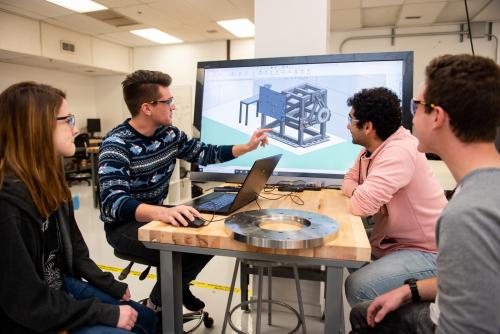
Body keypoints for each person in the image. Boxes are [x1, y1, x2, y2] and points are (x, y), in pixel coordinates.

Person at [349, 54, 500, 334]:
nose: (411, 116)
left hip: (437, 321)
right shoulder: (483, 189)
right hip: (432, 298)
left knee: (363, 304)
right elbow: (470, 282)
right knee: (363, 313)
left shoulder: (468, 214)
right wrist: (411, 291)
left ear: (437, 117)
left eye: (416, 106)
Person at [98, 70, 270, 312]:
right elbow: (113, 203)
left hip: (157, 214)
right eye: (168, 102)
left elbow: (204, 152)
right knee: (192, 247)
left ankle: (171, 291)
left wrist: (247, 147)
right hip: (123, 226)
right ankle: (158, 307)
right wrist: (161, 213)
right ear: (147, 108)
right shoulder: (116, 145)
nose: (173, 106)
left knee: (211, 234)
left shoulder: (169, 134)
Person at [0, 82, 156, 334]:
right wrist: (104, 312)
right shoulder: (8, 204)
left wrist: (107, 284)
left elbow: (76, 250)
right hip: (31, 312)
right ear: (36, 127)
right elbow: (26, 301)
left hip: (58, 287)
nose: (75, 129)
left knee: (145, 319)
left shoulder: (50, 183)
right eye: (68, 120)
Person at [342, 87, 447, 307]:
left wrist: (360, 193)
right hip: (397, 240)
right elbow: (348, 181)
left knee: (358, 286)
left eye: (351, 119)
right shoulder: (371, 150)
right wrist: (359, 191)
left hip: (427, 251)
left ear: (368, 127)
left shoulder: (398, 151)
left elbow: (360, 205)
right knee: (349, 251)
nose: (347, 126)